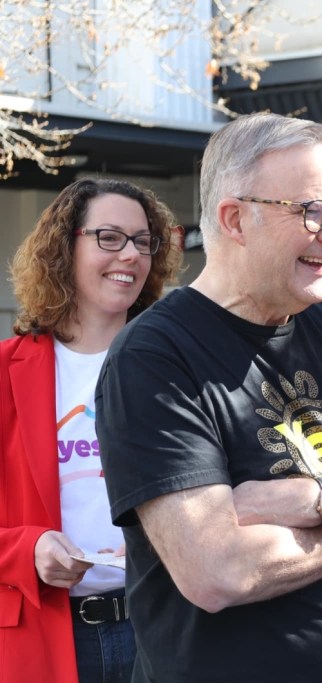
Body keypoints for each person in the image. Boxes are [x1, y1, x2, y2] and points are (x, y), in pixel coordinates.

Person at [95, 112, 322, 682]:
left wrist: (310, 500)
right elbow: (219, 571)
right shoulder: (153, 357)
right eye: (311, 211)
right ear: (235, 219)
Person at [0, 177, 182, 683]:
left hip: (165, 627)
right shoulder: (4, 372)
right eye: (109, 237)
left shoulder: (178, 367)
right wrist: (27, 549)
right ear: (64, 247)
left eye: (143, 241)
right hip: (44, 636)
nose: (130, 255)